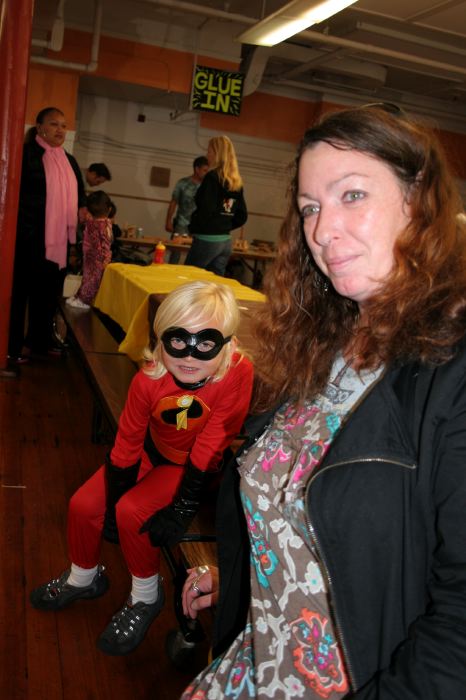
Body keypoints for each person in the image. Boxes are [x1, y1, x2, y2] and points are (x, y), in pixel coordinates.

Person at [180, 104, 466, 698]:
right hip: (257, 656)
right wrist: (254, 575)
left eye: (352, 195)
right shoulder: (323, 344)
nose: (322, 230)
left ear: (419, 201)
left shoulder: (452, 373)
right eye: (310, 207)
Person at [30, 281, 254, 657]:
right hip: (153, 452)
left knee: (132, 512)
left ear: (226, 343)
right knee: (83, 505)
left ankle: (146, 596)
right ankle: (83, 577)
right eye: (177, 340)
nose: (189, 356)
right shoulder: (148, 379)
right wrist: (113, 497)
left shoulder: (237, 373)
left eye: (205, 343)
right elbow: (128, 442)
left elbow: (211, 442)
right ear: (161, 339)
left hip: (194, 466)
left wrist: (182, 507)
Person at [8, 107, 86, 364]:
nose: (60, 130)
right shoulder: (26, 154)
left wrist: (83, 211)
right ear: (40, 127)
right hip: (29, 237)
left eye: (63, 125)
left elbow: (80, 196)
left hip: (59, 242)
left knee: (48, 294)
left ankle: (39, 342)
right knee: (20, 294)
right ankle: (12, 346)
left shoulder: (69, 160)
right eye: (53, 124)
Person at [186, 136, 247, 276]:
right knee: (214, 283)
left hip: (207, 240)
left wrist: (193, 228)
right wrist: (224, 225)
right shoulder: (236, 181)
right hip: (225, 242)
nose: (207, 155)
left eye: (209, 151)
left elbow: (206, 210)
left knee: (188, 278)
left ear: (218, 154)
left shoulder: (212, 177)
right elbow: (242, 216)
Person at [66, 190, 113, 310]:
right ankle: (80, 297)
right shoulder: (100, 223)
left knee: (90, 280)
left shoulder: (99, 224)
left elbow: (104, 244)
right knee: (88, 279)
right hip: (93, 256)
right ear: (109, 209)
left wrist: (105, 259)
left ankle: (84, 300)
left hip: (95, 257)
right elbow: (106, 244)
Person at [165, 155, 209, 264]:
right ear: (197, 169)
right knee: (175, 253)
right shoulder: (183, 183)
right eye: (204, 170)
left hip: (199, 227)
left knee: (196, 255)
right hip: (182, 224)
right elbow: (173, 202)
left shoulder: (207, 186)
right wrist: (168, 221)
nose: (206, 173)